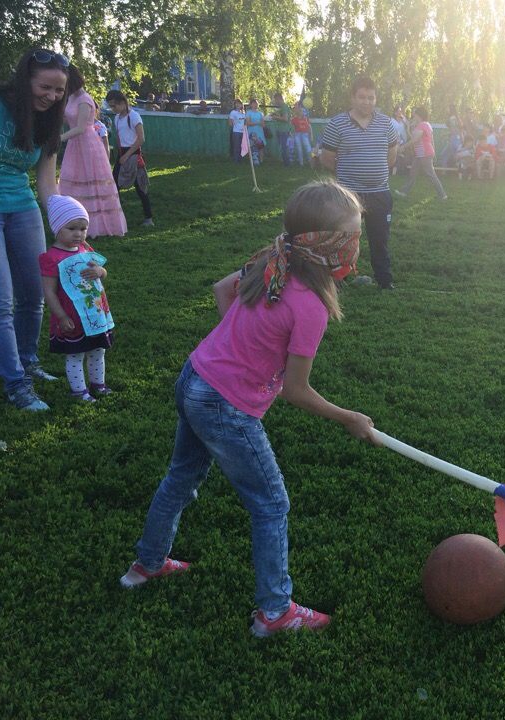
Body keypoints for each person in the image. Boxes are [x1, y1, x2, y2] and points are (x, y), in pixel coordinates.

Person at [121, 180, 378, 637]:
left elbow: (222, 290)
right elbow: (296, 391)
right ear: (326, 244)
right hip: (226, 407)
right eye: (351, 236)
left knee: (181, 477)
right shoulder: (311, 305)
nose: (356, 245)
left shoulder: (271, 260)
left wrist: (242, 347)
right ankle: (274, 612)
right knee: (272, 504)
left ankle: (145, 566)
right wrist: (350, 419)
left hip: (194, 378)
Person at [0, 48, 68, 411]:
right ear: (25, 79)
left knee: (34, 292)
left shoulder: (50, 123)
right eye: (45, 87)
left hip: (22, 206)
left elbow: (48, 185)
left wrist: (69, 224)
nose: (51, 97)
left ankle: (27, 360)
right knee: (0, 299)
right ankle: (16, 383)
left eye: (59, 91)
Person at [319, 77, 400, 290]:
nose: (367, 102)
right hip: (348, 194)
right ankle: (337, 281)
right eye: (362, 97)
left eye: (371, 97)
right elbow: (327, 158)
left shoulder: (386, 123)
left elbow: (392, 157)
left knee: (379, 239)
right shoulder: (337, 123)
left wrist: (373, 172)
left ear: (376, 98)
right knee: (342, 238)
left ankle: (385, 280)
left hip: (379, 193)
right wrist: (349, 175)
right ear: (352, 98)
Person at [38, 196, 113, 402]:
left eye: (83, 228)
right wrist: (61, 316)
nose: (78, 234)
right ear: (57, 228)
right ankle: (79, 392)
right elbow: (49, 291)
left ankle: (98, 384)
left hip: (95, 313)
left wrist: (100, 271)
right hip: (72, 317)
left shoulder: (85, 249)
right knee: (76, 353)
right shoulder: (51, 258)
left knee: (98, 350)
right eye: (72, 228)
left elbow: (102, 273)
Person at [58, 65, 126, 238]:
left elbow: (81, 128)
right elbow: (67, 120)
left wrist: (59, 138)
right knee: (72, 177)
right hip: (75, 145)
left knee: (90, 182)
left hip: (87, 145)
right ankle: (70, 220)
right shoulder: (72, 97)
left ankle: (96, 225)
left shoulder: (84, 99)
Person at [105, 90, 154, 227]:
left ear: (122, 103)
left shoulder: (134, 116)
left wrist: (127, 156)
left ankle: (149, 218)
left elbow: (141, 139)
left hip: (133, 155)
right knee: (114, 186)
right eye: (110, 106)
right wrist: (121, 155)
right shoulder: (117, 118)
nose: (112, 109)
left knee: (141, 188)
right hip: (122, 154)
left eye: (114, 106)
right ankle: (117, 216)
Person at [395, 107, 447, 200]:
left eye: (415, 114)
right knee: (413, 173)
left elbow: (415, 139)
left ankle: (442, 195)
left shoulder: (423, 125)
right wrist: (408, 127)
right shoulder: (425, 125)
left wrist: (403, 146)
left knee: (431, 174)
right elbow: (428, 139)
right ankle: (404, 192)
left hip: (425, 154)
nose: (413, 115)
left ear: (419, 115)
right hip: (420, 154)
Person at [268, 92, 293, 167]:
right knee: (283, 147)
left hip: (284, 130)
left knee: (284, 148)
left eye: (275, 100)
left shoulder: (284, 107)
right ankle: (285, 162)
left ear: (279, 99)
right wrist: (275, 115)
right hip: (281, 130)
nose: (275, 102)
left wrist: (275, 117)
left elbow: (285, 119)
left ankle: (287, 164)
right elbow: (282, 116)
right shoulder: (282, 107)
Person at [291, 99, 314, 169]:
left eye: (297, 106)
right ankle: (301, 163)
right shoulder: (294, 118)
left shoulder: (305, 116)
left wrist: (311, 135)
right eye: (295, 107)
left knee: (308, 148)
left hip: (305, 134)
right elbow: (291, 127)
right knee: (299, 148)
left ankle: (311, 162)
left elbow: (309, 126)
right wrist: (292, 135)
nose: (296, 108)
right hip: (297, 134)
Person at [244, 99, 266, 165]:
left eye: (256, 103)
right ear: (251, 105)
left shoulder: (260, 113)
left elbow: (263, 124)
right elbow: (248, 123)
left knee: (261, 146)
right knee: (252, 146)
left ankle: (261, 161)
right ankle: (252, 161)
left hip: (259, 132)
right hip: (252, 132)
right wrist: (258, 123)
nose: (255, 105)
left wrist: (262, 124)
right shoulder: (248, 113)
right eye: (253, 103)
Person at [228, 98, 246, 162]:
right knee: (236, 146)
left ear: (241, 105)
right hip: (236, 132)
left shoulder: (243, 113)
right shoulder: (233, 112)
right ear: (235, 105)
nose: (238, 105)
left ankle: (241, 159)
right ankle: (236, 160)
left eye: (239, 103)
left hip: (243, 132)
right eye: (236, 104)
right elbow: (230, 123)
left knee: (242, 146)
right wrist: (235, 126)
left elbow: (245, 121)